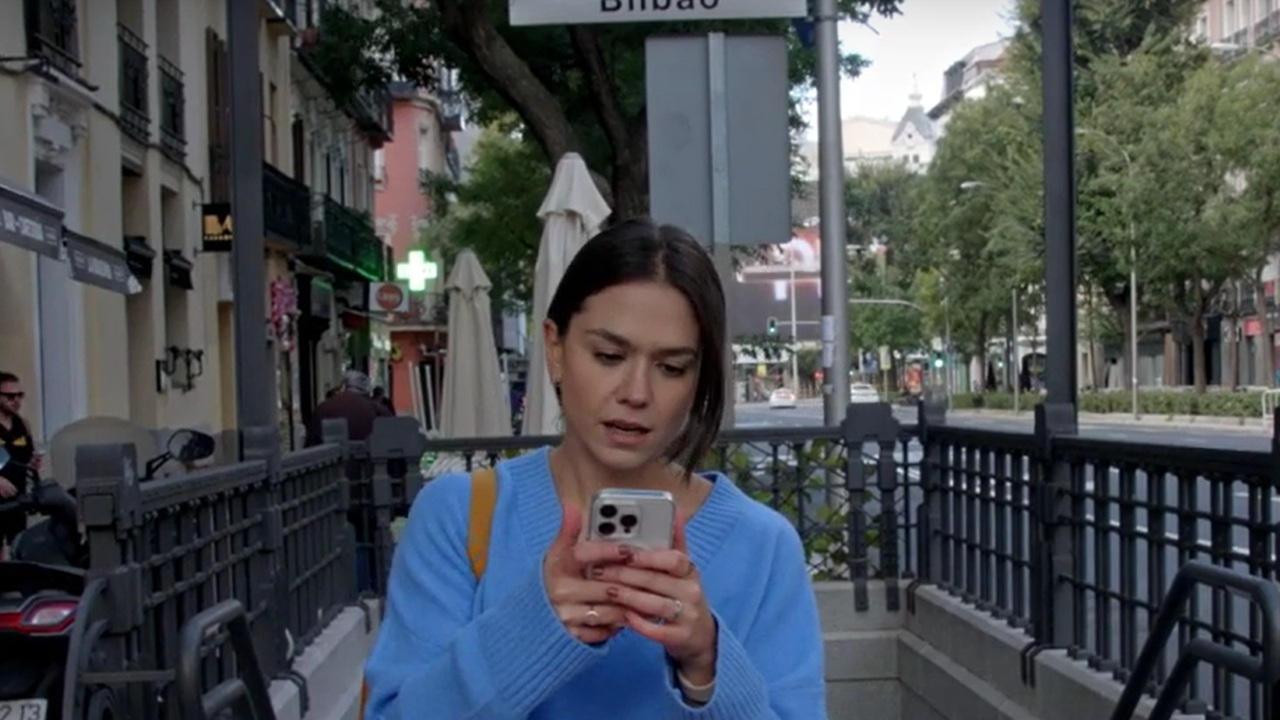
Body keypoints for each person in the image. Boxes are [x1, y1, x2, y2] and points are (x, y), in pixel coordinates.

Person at [363, 220, 825, 718]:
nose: (636, 392)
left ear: (699, 379)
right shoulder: (458, 517)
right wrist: (531, 631)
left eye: (671, 367)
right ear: (555, 348)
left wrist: (706, 663)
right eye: (608, 355)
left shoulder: (763, 547)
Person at [0, 372, 40, 554]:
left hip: (17, 499)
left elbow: (27, 457)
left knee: (20, 547)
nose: (16, 401)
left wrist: (33, 463)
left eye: (19, 395)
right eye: (10, 396)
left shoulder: (22, 424)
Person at [305, 370, 389, 446]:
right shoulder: (378, 409)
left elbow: (312, 443)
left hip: (331, 456)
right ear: (366, 391)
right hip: (371, 456)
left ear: (343, 386)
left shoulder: (323, 408)